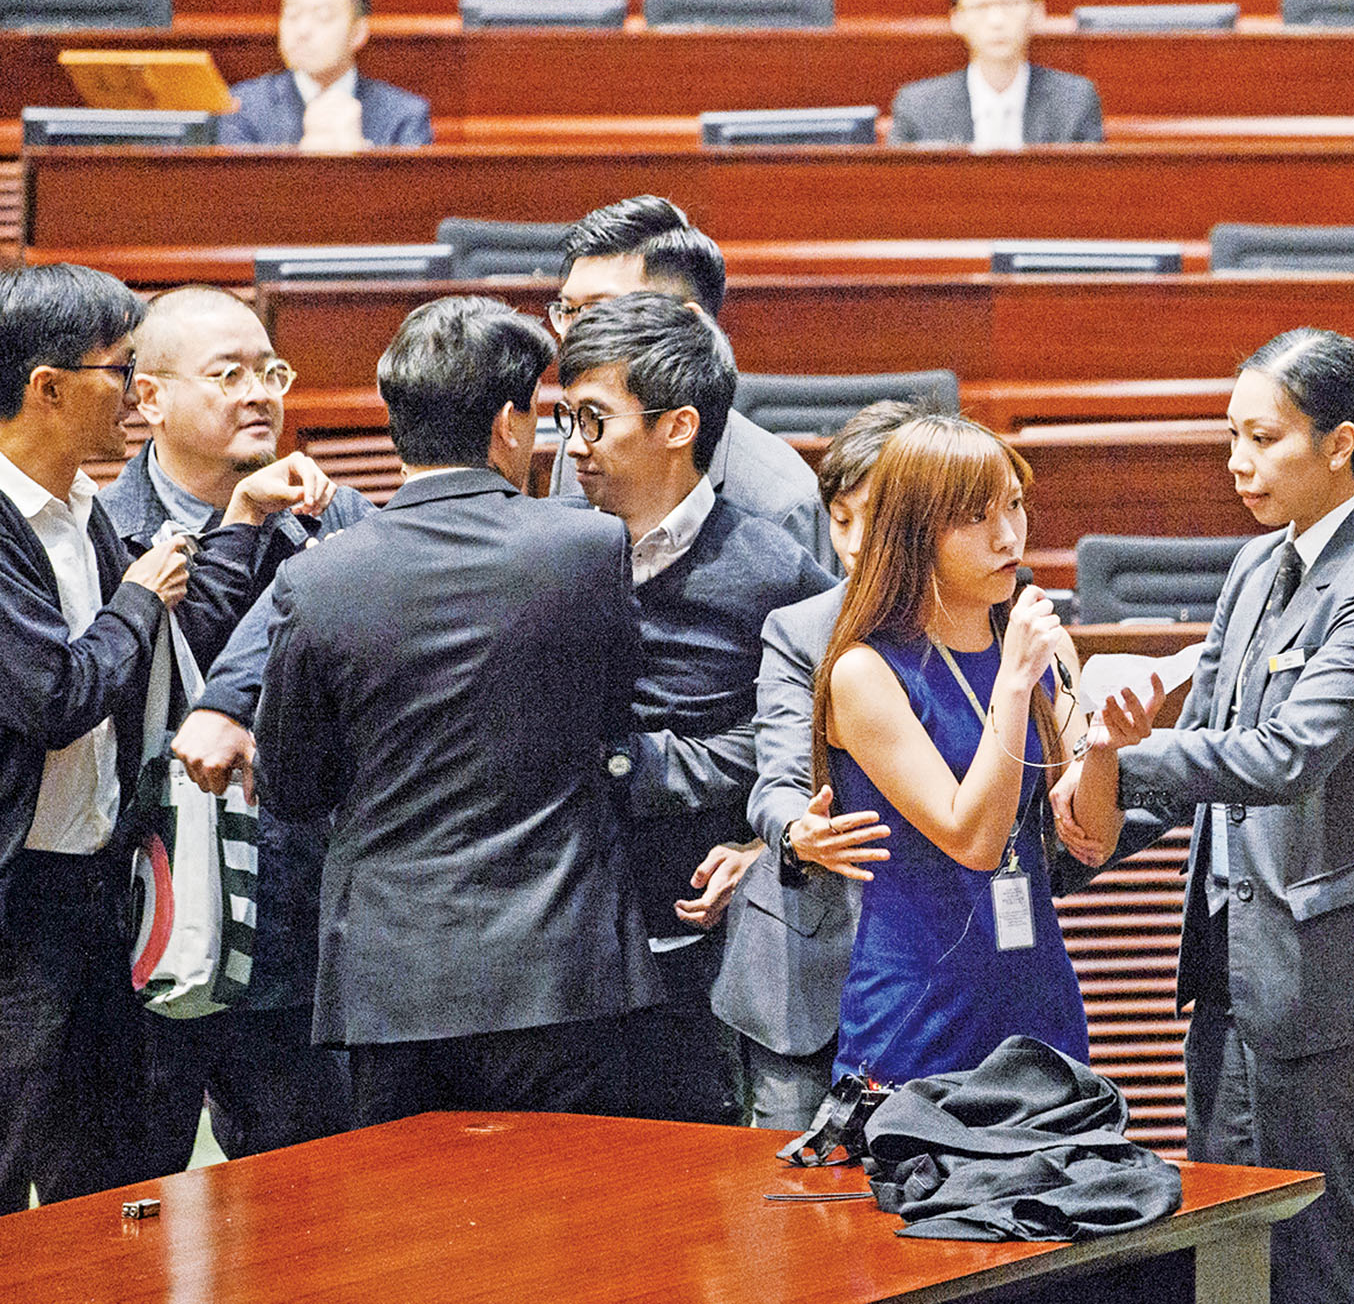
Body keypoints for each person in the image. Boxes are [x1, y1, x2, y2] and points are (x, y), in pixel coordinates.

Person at [1055, 328, 1354, 1304]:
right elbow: (1209, 749)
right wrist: (1087, 824)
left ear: (1337, 442)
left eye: (1263, 437)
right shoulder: (1253, 565)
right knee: (1233, 1251)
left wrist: (1108, 755)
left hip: (1331, 982)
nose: (1238, 460)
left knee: (1324, 1259)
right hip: (1233, 969)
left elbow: (1283, 755)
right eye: (1231, 435)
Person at [254, 296, 657, 1128]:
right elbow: (614, 715)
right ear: (510, 423)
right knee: (568, 1232)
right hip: (561, 967)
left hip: (390, 983)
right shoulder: (586, 547)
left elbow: (290, 787)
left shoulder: (317, 580)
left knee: (410, 1241)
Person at [0, 263, 323, 1212]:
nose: (135, 395)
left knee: (99, 1173)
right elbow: (58, 693)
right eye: (119, 369)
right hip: (17, 909)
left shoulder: (81, 510)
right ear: (47, 388)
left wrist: (241, 520)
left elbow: (171, 645)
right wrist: (138, 593)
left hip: (95, 887)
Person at [98, 287, 365, 1174]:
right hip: (150, 916)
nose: (260, 393)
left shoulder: (337, 517)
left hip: (297, 909)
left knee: (307, 1194)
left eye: (270, 371)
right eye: (228, 374)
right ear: (150, 399)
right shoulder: (104, 531)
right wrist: (239, 528)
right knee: (128, 1193)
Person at [555, 293, 833, 1125]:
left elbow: (832, 721)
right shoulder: (544, 551)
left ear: (677, 428)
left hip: (698, 948)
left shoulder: (770, 569)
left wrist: (757, 829)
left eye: (594, 421)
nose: (574, 447)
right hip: (563, 942)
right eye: (566, 420)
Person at [816, 413, 1100, 1086]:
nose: (1008, 536)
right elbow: (971, 836)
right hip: (920, 1008)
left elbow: (1091, 834)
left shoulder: (1039, 645)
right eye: (975, 517)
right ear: (916, 532)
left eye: (1014, 505)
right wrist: (1014, 681)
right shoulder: (864, 673)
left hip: (1036, 990)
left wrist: (1110, 744)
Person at [729, 399, 921, 1129]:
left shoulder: (991, 628)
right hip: (806, 976)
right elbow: (774, 781)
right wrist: (793, 832)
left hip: (940, 967)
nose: (852, 541)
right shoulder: (800, 630)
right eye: (839, 518)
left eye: (874, 515)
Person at [546, 195, 831, 569]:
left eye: (601, 311)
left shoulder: (782, 501)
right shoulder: (581, 447)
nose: (574, 334)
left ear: (688, 323)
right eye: (568, 311)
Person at [889, 0, 1104, 148]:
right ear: (956, 19)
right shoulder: (919, 107)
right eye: (980, 7)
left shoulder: (1074, 101)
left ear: (1037, 13)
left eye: (1010, 4)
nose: (997, 21)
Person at [217, 0, 431, 150]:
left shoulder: (404, 115)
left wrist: (361, 162)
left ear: (357, 32)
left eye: (323, 16)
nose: (302, 30)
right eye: (292, 14)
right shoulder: (242, 106)